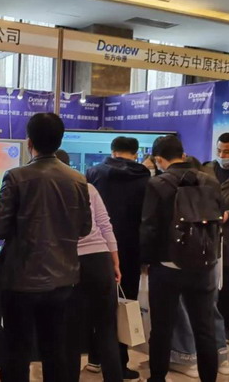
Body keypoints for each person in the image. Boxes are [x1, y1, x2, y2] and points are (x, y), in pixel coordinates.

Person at [0, 113, 92, 382]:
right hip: (62, 278)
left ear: (29, 142)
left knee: (16, 348)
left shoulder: (16, 176)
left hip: (19, 279)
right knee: (55, 348)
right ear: (60, 141)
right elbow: (85, 228)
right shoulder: (78, 179)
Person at [141, 135, 223, 382]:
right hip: (204, 264)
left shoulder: (157, 183)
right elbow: (217, 219)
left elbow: (149, 227)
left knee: (162, 328)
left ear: (159, 159)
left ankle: (157, 378)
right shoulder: (210, 181)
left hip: (166, 265)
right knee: (205, 328)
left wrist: (145, 261)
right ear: (183, 154)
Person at [86, 136, 150, 380]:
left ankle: (94, 357)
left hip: (98, 249)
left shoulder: (94, 173)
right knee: (125, 305)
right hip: (131, 249)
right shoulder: (145, 177)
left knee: (97, 304)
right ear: (135, 153)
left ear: (112, 151)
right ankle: (119, 363)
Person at [57, 150, 122, 382]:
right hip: (100, 260)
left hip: (67, 262)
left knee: (70, 333)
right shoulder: (88, 188)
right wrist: (115, 260)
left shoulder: (49, 189)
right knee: (107, 329)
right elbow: (105, 224)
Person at [204, 133, 229, 344]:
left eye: (227, 152)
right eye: (219, 151)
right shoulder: (206, 169)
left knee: (228, 285)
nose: (222, 155)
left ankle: (224, 326)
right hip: (206, 236)